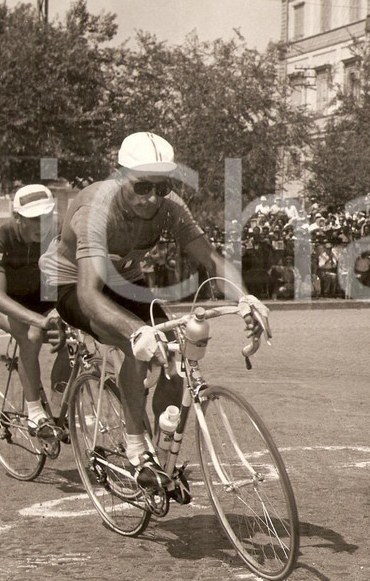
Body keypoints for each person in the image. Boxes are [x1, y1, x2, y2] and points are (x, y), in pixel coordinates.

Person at [38, 132, 258, 488]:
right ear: (119, 176)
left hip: (124, 277)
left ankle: (159, 452)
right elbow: (89, 296)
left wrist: (246, 299)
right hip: (73, 282)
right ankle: (136, 449)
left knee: (173, 351)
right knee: (136, 344)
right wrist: (135, 331)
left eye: (162, 187)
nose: (153, 197)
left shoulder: (169, 207)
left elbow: (210, 259)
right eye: (141, 187)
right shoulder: (96, 210)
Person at [0, 185, 65, 436]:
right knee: (29, 335)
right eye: (33, 219)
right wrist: (40, 321)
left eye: (45, 217)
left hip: (32, 289)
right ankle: (35, 414)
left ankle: (59, 401)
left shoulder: (57, 232)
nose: (41, 225)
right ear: (17, 217)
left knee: (72, 333)